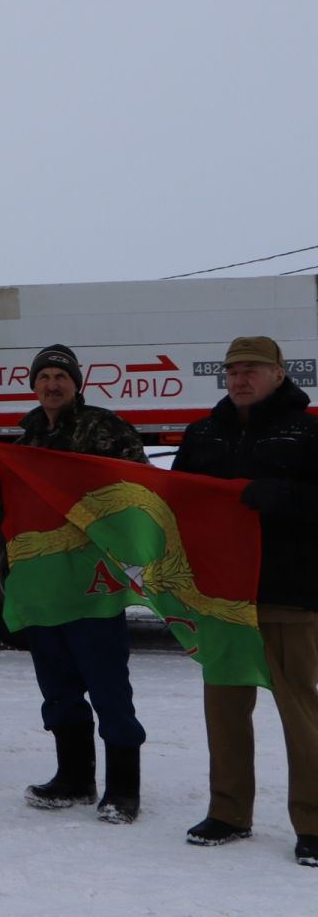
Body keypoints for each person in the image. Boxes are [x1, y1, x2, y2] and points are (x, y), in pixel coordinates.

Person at [171, 336, 318, 867]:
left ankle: (314, 822)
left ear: (279, 373)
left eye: (252, 369)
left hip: (288, 593)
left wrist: (287, 495)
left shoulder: (309, 430)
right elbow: (176, 503)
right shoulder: (203, 434)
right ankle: (229, 812)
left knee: (301, 713)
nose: (239, 378)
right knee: (226, 710)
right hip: (221, 597)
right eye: (232, 370)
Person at [0, 345, 149, 823]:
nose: (52, 384)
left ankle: (123, 789)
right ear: (33, 386)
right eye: (44, 377)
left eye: (61, 376)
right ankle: (74, 778)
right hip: (44, 584)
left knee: (108, 688)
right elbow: (5, 500)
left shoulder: (106, 428)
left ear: (77, 383)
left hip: (93, 584)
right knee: (58, 687)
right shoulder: (26, 437)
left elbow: (137, 486)